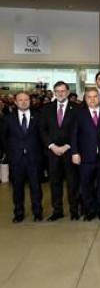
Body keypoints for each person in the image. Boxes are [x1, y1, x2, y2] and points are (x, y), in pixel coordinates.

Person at [40, 81, 80, 221]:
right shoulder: (46, 108)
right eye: (57, 91)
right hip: (52, 152)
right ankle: (57, 211)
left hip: (70, 151)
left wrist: (68, 145)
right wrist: (52, 146)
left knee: (72, 182)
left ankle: (74, 211)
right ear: (54, 93)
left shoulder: (77, 108)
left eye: (63, 91)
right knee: (55, 182)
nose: (60, 93)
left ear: (68, 92)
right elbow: (42, 130)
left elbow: (78, 130)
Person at [3, 92, 43, 222]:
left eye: (26, 99)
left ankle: (37, 212)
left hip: (34, 158)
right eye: (20, 100)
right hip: (16, 159)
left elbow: (42, 136)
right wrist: (10, 153)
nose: (24, 102)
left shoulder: (38, 116)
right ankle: (18, 213)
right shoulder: (8, 118)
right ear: (15, 102)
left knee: (36, 187)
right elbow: (3, 138)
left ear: (30, 101)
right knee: (17, 188)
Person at [70, 87, 100, 221]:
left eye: (95, 96)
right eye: (89, 97)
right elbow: (74, 135)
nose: (92, 99)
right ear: (85, 99)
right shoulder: (79, 114)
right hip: (85, 156)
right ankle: (90, 211)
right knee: (86, 185)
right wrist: (75, 152)